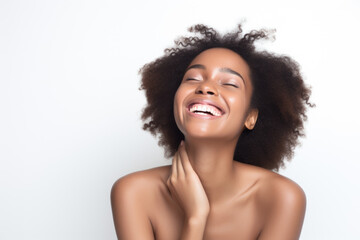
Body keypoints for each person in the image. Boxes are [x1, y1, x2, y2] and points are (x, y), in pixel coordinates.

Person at [111, 24, 313, 240]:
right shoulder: (133, 193)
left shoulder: (281, 199)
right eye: (193, 78)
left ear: (250, 117)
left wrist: (195, 217)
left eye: (229, 83)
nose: (205, 88)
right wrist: (196, 218)